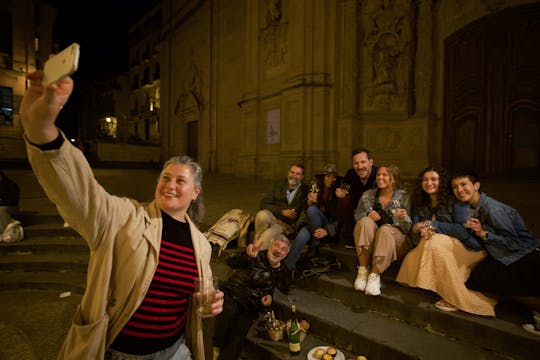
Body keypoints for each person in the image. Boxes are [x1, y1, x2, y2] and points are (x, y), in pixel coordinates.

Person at [19, 70, 224, 359]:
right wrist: (43, 133)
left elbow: (195, 301)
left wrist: (210, 304)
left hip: (175, 352)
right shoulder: (122, 217)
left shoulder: (201, 245)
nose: (169, 185)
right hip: (119, 353)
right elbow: (79, 192)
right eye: (165, 178)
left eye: (180, 181)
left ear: (195, 193)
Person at [396, 166, 497, 315]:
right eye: (425, 179)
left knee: (434, 242)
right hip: (435, 243)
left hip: (467, 247)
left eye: (433, 179)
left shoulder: (456, 201)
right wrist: (419, 229)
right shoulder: (420, 201)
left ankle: (454, 296)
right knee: (421, 250)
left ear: (442, 181)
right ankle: (438, 284)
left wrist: (432, 225)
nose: (428, 183)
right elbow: (415, 225)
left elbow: (463, 231)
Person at [450, 170, 540, 335]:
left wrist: (484, 234)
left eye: (464, 185)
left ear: (476, 185)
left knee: (482, 279)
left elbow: (514, 243)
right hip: (506, 255)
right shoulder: (473, 207)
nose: (459, 190)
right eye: (455, 187)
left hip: (524, 256)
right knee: (478, 277)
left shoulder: (492, 209)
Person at [213, 234, 291, 360]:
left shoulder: (282, 270)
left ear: (285, 255)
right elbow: (230, 261)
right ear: (269, 245)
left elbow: (282, 288)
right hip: (232, 295)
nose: (278, 250)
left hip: (250, 307)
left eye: (283, 249)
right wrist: (247, 256)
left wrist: (269, 297)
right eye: (276, 245)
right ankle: (214, 347)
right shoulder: (255, 255)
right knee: (229, 311)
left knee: (238, 335)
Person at [352, 165, 411, 296]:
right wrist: (367, 214)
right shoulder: (368, 195)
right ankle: (362, 270)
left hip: (395, 238)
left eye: (385, 175)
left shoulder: (404, 197)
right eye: (378, 175)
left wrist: (402, 217)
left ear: (393, 179)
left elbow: (408, 227)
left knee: (385, 230)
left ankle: (374, 276)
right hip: (372, 239)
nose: (380, 178)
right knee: (365, 222)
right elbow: (357, 216)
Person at [285, 163, 341, 270]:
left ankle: (315, 244)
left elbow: (339, 218)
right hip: (312, 227)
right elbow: (302, 209)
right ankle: (286, 269)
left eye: (333, 176)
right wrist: (309, 201)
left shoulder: (338, 192)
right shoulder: (314, 188)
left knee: (312, 210)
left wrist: (328, 230)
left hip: (326, 228)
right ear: (322, 177)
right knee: (302, 234)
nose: (331, 179)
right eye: (328, 176)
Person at [254, 164, 309, 250]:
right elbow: (264, 203)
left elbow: (305, 212)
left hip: (285, 225)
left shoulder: (305, 191)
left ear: (302, 177)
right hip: (274, 216)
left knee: (269, 233)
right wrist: (281, 211)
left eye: (298, 174)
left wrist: (295, 228)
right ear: (288, 173)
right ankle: (260, 244)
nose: (294, 176)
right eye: (292, 172)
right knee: (261, 215)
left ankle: (257, 250)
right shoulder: (277, 185)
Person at [335, 147, 377, 249]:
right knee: (343, 200)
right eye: (356, 163)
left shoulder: (379, 175)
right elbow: (343, 187)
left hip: (373, 209)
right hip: (355, 208)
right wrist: (341, 192)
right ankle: (350, 237)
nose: (360, 166)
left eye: (363, 162)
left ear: (371, 162)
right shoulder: (351, 174)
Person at [0, 170, 24, 243]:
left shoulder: (11, 185)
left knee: (2, 210)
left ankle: (5, 231)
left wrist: (1, 202)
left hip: (11, 207)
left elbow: (13, 200)